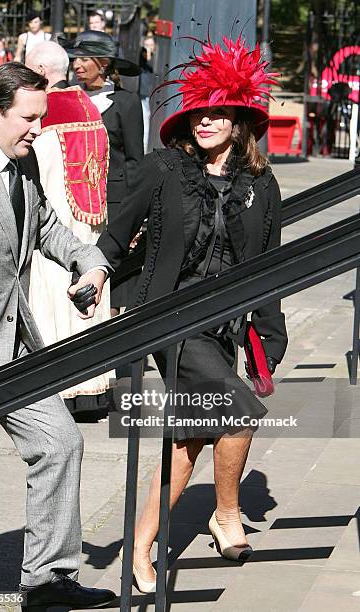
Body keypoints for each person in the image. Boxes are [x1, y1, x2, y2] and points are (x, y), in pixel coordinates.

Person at [96, 34, 288, 592]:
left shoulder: (261, 185)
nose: (203, 122)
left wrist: (267, 342)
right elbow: (120, 228)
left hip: (225, 324)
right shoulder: (164, 170)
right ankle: (226, 515)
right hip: (169, 316)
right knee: (239, 410)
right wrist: (96, 271)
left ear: (238, 124)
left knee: (190, 442)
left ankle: (140, 546)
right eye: (197, 114)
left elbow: (270, 265)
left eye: (217, 115)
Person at [0, 62, 115, 608]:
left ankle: (48, 580)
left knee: (61, 443)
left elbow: (49, 225)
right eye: (28, 118)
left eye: (42, 117)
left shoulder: (21, 167)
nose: (38, 129)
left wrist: (90, 263)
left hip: (14, 344)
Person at [25, 41, 113, 419]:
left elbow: (38, 174)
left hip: (57, 225)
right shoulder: (88, 106)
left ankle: (58, 386)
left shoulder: (47, 114)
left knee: (53, 300)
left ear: (42, 72)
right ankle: (92, 386)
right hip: (90, 225)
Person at [64, 30, 144, 315]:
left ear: (105, 63)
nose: (77, 65)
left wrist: (134, 216)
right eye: (75, 59)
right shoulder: (68, 99)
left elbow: (135, 160)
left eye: (84, 58)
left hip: (115, 205)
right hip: (76, 203)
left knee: (113, 287)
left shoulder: (126, 102)